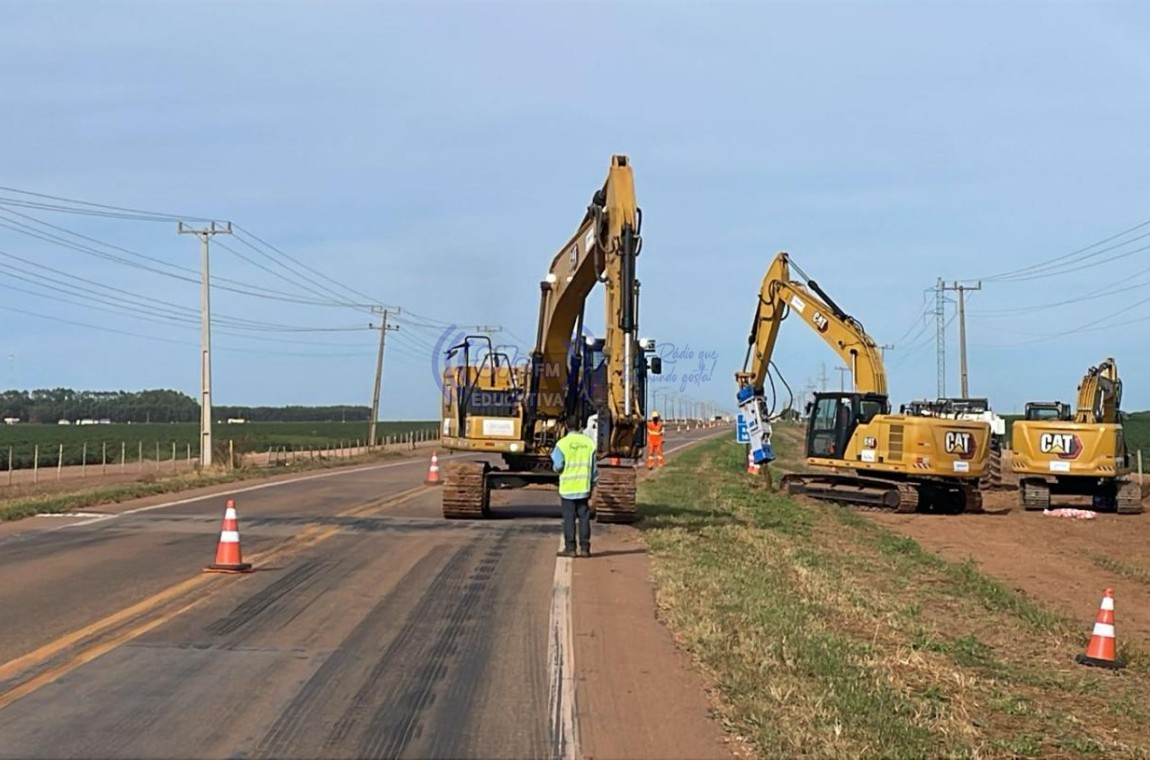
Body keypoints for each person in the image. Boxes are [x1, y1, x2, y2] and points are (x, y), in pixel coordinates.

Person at [551, 424, 598, 558]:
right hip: (583, 487)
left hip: (568, 488)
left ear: (566, 426)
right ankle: (585, 549)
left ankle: (570, 548)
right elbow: (594, 469)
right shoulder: (589, 444)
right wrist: (593, 484)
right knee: (584, 518)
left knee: (569, 519)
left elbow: (558, 466)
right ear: (580, 427)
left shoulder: (562, 444)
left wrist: (557, 469)